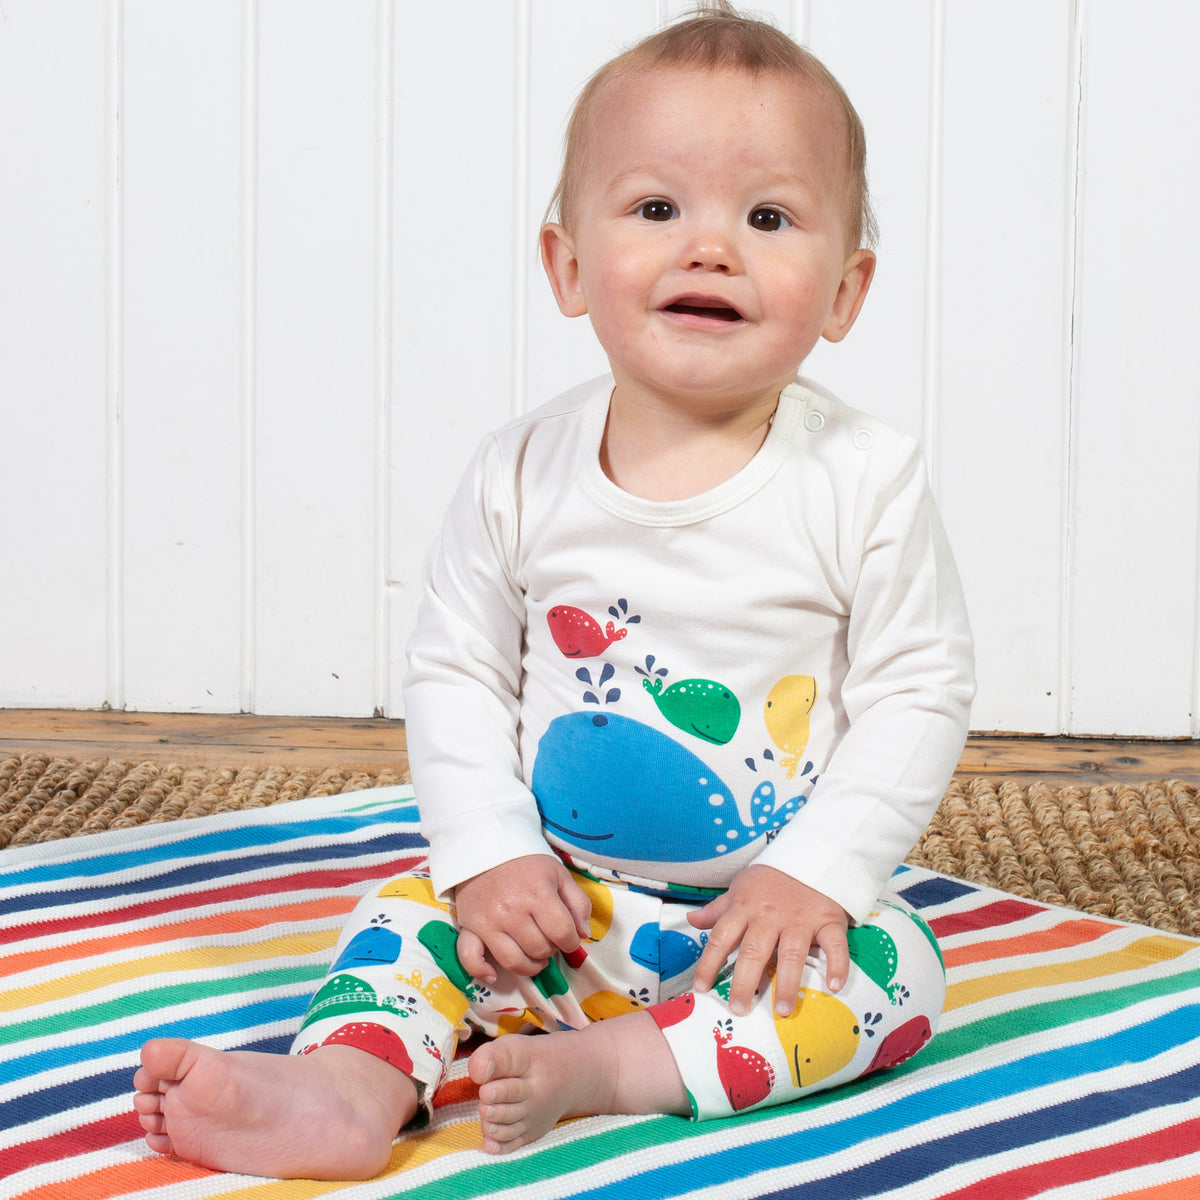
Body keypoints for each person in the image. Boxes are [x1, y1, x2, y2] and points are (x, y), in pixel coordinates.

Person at [133, 1, 974, 1181]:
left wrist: (814, 874)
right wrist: (489, 853)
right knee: (409, 912)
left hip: (755, 925)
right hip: (556, 908)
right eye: (656, 208)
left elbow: (919, 690)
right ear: (569, 265)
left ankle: (618, 1069)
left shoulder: (864, 479)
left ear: (845, 291)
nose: (711, 247)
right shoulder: (521, 472)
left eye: (770, 217)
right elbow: (457, 670)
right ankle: (350, 1085)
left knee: (898, 977)